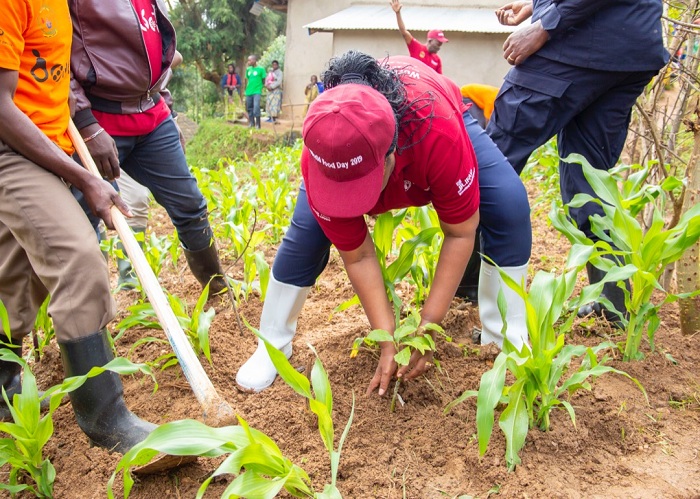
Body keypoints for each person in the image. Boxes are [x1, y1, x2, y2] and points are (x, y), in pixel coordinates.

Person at [236, 51, 532, 394]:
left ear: (393, 154)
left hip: (434, 113)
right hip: (351, 145)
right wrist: (387, 338)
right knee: (306, 233)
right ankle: (271, 346)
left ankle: (504, 339)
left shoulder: (438, 132)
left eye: (362, 186)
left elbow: (460, 232)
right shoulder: (323, 146)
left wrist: (427, 329)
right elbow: (357, 256)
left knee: (509, 202)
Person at [0, 0, 157, 452]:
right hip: (12, 152)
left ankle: (4, 386)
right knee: (78, 258)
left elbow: (50, 75)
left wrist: (81, 133)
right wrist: (84, 178)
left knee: (13, 276)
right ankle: (106, 419)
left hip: (48, 143)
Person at [486, 0, 669, 324]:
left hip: (581, 43)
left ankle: (479, 298)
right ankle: (613, 305)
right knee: (587, 174)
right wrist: (536, 6)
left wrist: (545, 24)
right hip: (630, 47)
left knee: (491, 161)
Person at [69, 0, 229, 296]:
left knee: (190, 206)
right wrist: (86, 123)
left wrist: (167, 108)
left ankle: (217, 287)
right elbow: (56, 59)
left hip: (152, 117)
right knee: (82, 222)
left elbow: (156, 60)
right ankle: (93, 310)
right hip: (100, 119)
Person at [455, 83, 501, 303]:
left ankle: (468, 283)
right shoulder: (496, 99)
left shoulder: (499, 97)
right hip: (468, 109)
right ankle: (468, 283)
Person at [390, 0, 448, 74]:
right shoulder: (417, 47)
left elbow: (440, 78)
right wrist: (398, 13)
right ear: (430, 41)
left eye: (441, 44)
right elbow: (404, 32)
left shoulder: (437, 60)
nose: (439, 47)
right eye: (438, 43)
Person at [245, 54, 267, 129]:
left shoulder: (261, 69)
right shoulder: (248, 69)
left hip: (257, 91)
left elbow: (264, 80)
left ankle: (258, 124)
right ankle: (251, 123)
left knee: (256, 107)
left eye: (250, 60)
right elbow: (247, 79)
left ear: (254, 60)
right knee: (249, 107)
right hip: (248, 91)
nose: (249, 62)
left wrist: (262, 87)